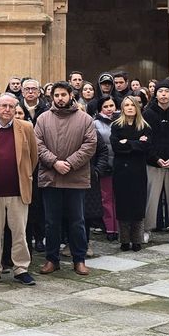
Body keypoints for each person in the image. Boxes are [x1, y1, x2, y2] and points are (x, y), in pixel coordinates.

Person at [34, 83, 97, 274]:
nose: (60, 98)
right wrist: (54, 162)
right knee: (51, 222)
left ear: (71, 95)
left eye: (63, 94)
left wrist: (69, 163)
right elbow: (37, 144)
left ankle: (79, 259)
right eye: (57, 95)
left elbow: (90, 144)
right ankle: (52, 259)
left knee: (77, 221)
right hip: (51, 177)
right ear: (52, 97)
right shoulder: (43, 119)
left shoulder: (85, 119)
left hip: (75, 178)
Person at [142, 83, 169, 244]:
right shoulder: (147, 113)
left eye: (166, 91)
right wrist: (156, 158)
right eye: (160, 91)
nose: (163, 94)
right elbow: (146, 139)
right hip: (154, 163)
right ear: (156, 94)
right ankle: (146, 230)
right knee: (151, 199)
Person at [110, 96, 150, 252]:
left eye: (132, 105)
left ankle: (137, 240)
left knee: (137, 205)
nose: (129, 108)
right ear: (122, 108)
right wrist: (136, 143)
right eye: (126, 105)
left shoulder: (145, 126)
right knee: (123, 205)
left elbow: (146, 147)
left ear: (137, 107)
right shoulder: (116, 126)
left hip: (138, 170)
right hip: (121, 170)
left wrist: (127, 142)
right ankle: (124, 240)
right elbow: (115, 146)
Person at [87, 97, 117, 241]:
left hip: (119, 165)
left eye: (112, 105)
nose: (109, 108)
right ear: (100, 109)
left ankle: (119, 227)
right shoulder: (95, 124)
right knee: (106, 198)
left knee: (118, 198)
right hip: (105, 166)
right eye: (106, 106)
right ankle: (110, 228)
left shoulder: (120, 121)